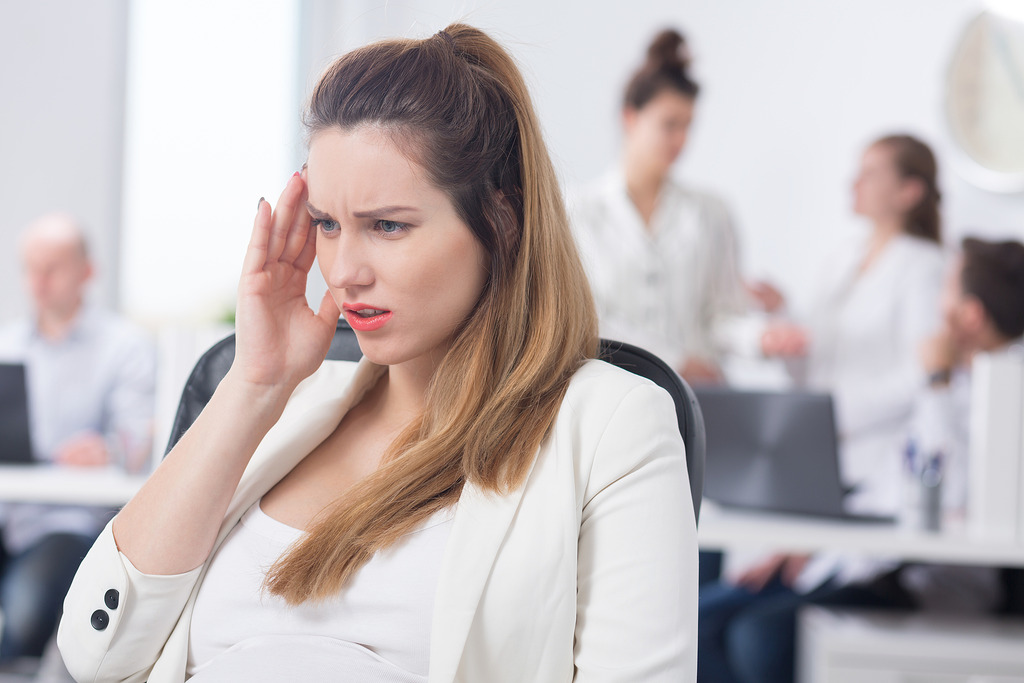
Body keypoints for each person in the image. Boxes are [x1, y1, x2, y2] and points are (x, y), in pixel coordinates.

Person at [57, 24, 697, 683]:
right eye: (328, 224)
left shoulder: (612, 426)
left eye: (387, 225)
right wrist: (256, 383)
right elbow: (95, 654)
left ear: (500, 223)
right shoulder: (285, 410)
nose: (343, 270)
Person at [697, 134, 948, 683]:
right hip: (811, 462)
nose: (854, 182)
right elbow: (815, 370)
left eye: (871, 172)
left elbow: (922, 378)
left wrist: (829, 413)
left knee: (749, 634)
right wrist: (784, 323)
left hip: (869, 466)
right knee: (703, 624)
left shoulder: (925, 267)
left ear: (909, 191)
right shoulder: (842, 259)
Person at [0, 214, 155, 662]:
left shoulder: (126, 347)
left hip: (71, 522)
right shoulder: (8, 345)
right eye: (31, 268)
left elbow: (138, 442)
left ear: (86, 272)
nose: (39, 281)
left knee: (26, 611)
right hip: (10, 512)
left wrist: (108, 449)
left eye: (52, 268)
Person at [571, 28, 761, 387]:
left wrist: (760, 338)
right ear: (631, 117)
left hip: (697, 401)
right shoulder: (574, 212)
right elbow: (579, 318)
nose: (682, 141)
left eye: (689, 126)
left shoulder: (712, 213)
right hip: (609, 394)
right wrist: (676, 361)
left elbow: (722, 315)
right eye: (670, 125)